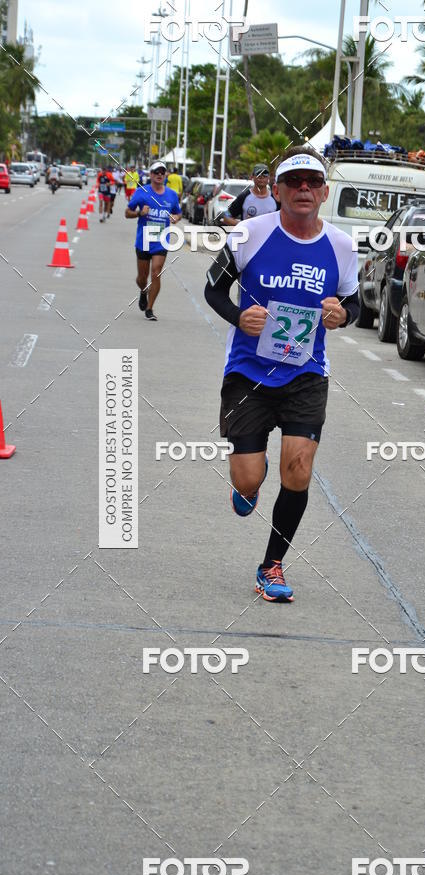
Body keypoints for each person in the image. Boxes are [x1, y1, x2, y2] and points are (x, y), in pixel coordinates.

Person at [204, 147, 359, 603]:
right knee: (247, 480)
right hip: (249, 374)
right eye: (294, 182)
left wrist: (341, 315)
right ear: (277, 191)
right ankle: (251, 476)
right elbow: (214, 289)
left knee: (299, 469)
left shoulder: (341, 246)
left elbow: (354, 303)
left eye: (313, 181)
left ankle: (272, 563)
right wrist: (238, 316)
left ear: (325, 191)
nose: (305, 189)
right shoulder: (250, 233)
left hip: (306, 374)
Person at [125, 160, 182, 322]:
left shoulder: (171, 195)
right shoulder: (142, 192)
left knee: (156, 272)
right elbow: (127, 212)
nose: (159, 175)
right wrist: (139, 214)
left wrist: (176, 217)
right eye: (156, 172)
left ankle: (149, 308)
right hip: (144, 239)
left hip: (161, 240)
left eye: (162, 172)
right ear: (150, 175)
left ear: (165, 175)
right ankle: (143, 291)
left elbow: (178, 213)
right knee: (141, 278)